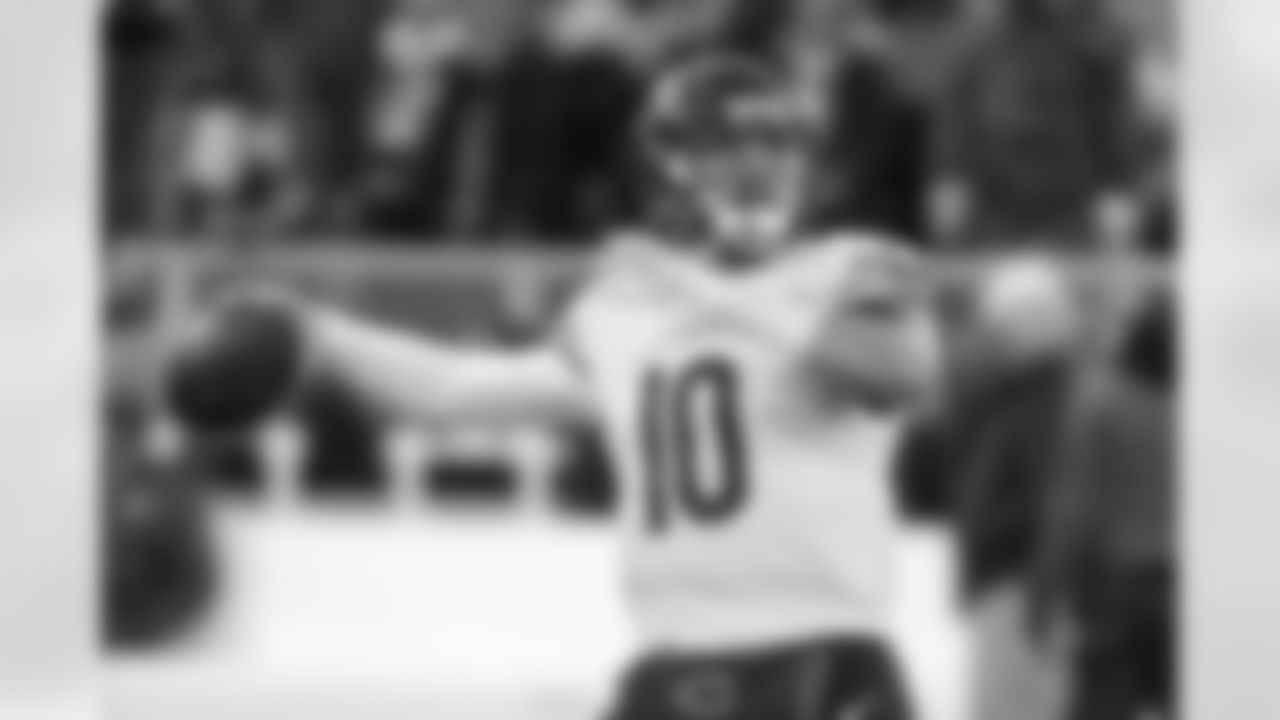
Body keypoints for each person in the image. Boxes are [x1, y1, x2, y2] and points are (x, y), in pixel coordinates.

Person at [163, 55, 943, 720]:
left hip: (823, 656)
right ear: (672, 171)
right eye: (727, 145)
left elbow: (902, 373)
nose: (757, 166)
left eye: (777, 143)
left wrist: (720, 296)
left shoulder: (850, 267)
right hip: (674, 665)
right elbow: (457, 390)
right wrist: (324, 334)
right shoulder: (626, 313)